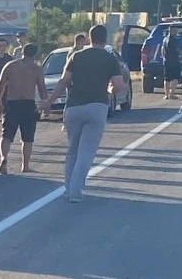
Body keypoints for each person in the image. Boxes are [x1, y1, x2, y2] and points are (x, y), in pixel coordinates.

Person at [42, 25, 123, 203]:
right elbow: (118, 85)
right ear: (105, 38)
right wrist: (109, 91)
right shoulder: (110, 58)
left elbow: (64, 81)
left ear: (89, 38)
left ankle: (68, 187)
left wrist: (49, 101)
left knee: (73, 149)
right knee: (86, 151)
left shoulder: (76, 56)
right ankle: (76, 190)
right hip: (97, 106)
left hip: (74, 106)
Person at [0, 43, 49, 174]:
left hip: (12, 103)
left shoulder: (10, 66)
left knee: (6, 135)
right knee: (27, 138)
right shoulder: (36, 69)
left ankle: (3, 158)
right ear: (35, 54)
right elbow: (42, 88)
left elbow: (0, 84)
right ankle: (25, 165)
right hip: (28, 104)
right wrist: (45, 103)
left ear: (23, 52)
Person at [61, 33, 87, 131]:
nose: (84, 44)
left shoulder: (79, 52)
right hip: (72, 82)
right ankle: (65, 122)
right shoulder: (73, 53)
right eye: (83, 41)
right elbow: (70, 69)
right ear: (79, 41)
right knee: (69, 102)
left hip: (79, 81)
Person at [161, 26, 180, 100]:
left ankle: (166, 95)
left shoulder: (165, 39)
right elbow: (177, 50)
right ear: (171, 31)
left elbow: (162, 49)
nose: (176, 32)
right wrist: (181, 52)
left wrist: (164, 57)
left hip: (166, 61)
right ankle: (172, 94)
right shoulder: (174, 40)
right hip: (174, 61)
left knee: (167, 78)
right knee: (175, 78)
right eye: (175, 30)